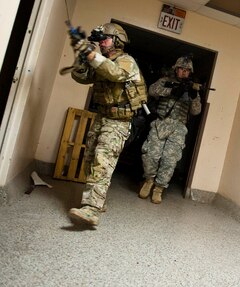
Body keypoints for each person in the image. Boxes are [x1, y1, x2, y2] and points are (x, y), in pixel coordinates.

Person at [67, 23, 148, 226]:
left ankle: (91, 209)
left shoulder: (126, 61)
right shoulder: (99, 60)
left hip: (119, 122)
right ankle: (97, 201)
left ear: (118, 41)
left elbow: (114, 73)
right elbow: (80, 76)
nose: (102, 43)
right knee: (89, 158)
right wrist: (83, 54)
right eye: (100, 40)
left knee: (102, 161)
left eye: (106, 39)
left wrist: (93, 56)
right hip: (101, 116)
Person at [138, 55, 202, 204]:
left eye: (187, 70)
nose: (184, 72)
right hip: (160, 122)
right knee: (150, 155)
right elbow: (152, 91)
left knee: (170, 160)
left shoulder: (193, 88)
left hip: (178, 128)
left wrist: (193, 96)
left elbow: (196, 111)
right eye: (181, 69)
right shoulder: (165, 81)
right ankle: (149, 181)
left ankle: (159, 188)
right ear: (176, 69)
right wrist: (172, 91)